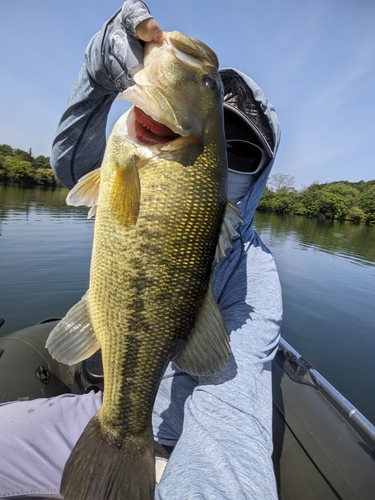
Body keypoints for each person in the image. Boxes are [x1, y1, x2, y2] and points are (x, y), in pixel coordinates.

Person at [0, 1, 282, 498]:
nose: (229, 156)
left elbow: (230, 411)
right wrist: (98, 71)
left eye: (243, 152)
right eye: (225, 134)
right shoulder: (134, 145)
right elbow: (70, 166)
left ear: (258, 177)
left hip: (173, 444)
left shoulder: (256, 276)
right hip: (101, 406)